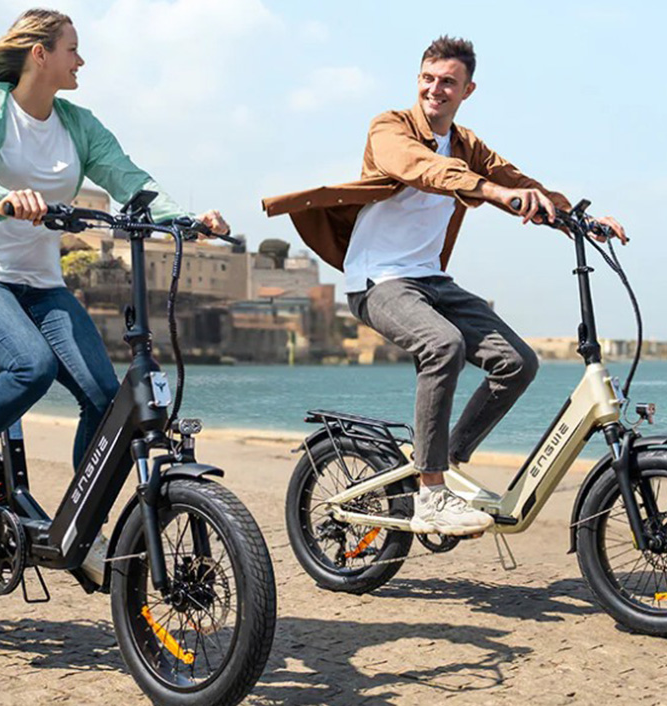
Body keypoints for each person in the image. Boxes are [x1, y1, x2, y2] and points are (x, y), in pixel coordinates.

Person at [0, 9, 229, 580]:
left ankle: (84, 523)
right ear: (40, 54)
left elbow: (130, 180)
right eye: (73, 49)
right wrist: (3, 199)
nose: (81, 60)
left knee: (109, 400)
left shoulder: (78, 125)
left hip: (40, 286)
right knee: (29, 366)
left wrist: (187, 218)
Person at [262, 36, 626, 536]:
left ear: (466, 90)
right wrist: (493, 192)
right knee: (443, 344)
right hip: (378, 281)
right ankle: (431, 495)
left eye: (448, 82)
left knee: (518, 363)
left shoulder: (467, 145)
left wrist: (577, 218)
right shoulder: (389, 128)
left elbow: (515, 179)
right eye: (428, 79)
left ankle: (444, 459)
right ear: (418, 80)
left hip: (432, 280)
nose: (436, 89)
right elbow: (426, 170)